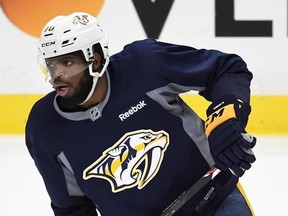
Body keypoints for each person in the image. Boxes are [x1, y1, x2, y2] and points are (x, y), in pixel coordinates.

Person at [25, 11, 257, 216]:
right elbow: (72, 208)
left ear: (95, 61)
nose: (57, 75)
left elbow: (225, 69)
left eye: (67, 62)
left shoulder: (144, 66)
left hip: (215, 199)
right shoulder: (44, 127)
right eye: (51, 65)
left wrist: (225, 117)